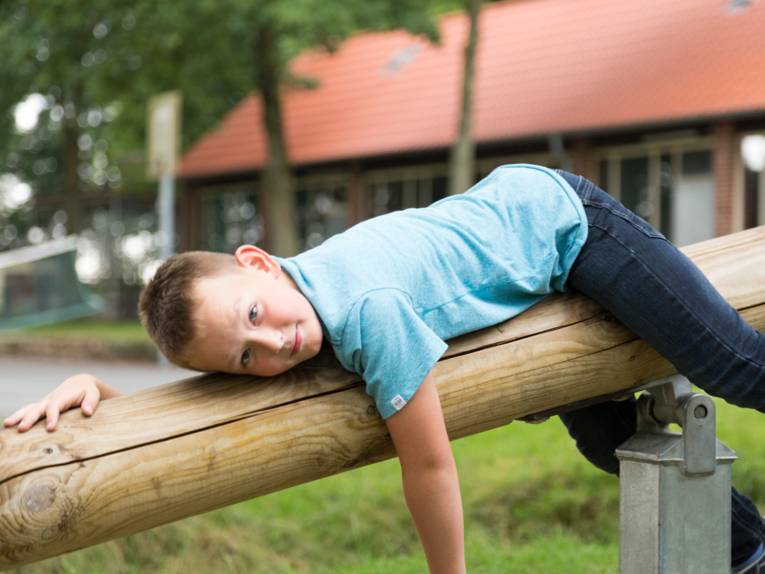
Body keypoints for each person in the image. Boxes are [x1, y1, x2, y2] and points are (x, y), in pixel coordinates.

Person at [3, 164, 763, 573]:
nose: (274, 347)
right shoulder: (292, 300)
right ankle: (749, 550)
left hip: (565, 222)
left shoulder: (366, 311)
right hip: (526, 262)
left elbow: (428, 466)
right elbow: (191, 393)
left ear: (258, 261)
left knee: (732, 364)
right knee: (607, 440)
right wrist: (94, 392)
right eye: (246, 358)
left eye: (256, 318)